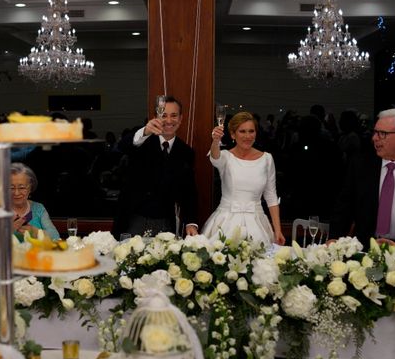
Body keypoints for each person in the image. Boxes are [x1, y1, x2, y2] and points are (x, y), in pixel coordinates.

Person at [330, 108, 395, 249]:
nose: (374, 138)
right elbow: (343, 207)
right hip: (365, 249)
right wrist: (334, 239)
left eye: (382, 133)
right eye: (375, 132)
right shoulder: (360, 164)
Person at [114, 96, 199, 237]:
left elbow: (188, 191)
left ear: (181, 118)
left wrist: (191, 222)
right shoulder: (142, 139)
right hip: (133, 219)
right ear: (155, 117)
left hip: (165, 221)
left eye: (174, 115)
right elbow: (123, 146)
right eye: (164, 115)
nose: (169, 121)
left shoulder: (186, 152)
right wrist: (146, 131)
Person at [202, 111, 286, 247]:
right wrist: (216, 140)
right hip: (226, 221)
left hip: (257, 222)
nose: (248, 136)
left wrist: (278, 230)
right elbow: (214, 157)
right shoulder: (225, 157)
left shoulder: (267, 159)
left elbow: (271, 196)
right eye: (242, 131)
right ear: (233, 134)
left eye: (251, 131)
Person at [0, 163, 59, 248]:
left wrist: (36, 232)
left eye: (22, 187)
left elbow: (56, 238)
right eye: (11, 188)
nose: (16, 193)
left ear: (30, 188)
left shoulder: (38, 208)